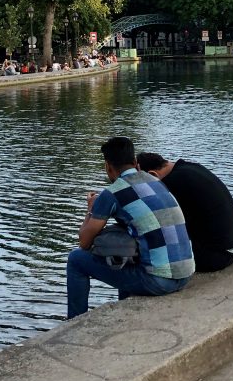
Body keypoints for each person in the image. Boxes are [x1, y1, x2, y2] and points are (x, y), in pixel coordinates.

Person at [66, 137, 194, 319]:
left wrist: (90, 209)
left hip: (159, 280)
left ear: (108, 167)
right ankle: (124, 311)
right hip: (186, 272)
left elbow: (84, 242)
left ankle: (73, 322)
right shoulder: (155, 180)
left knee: (76, 260)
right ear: (135, 162)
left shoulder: (111, 193)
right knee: (123, 246)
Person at [137, 152, 233, 273]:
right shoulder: (191, 168)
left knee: (143, 250)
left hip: (215, 256)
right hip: (231, 249)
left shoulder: (173, 183)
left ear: (152, 174)